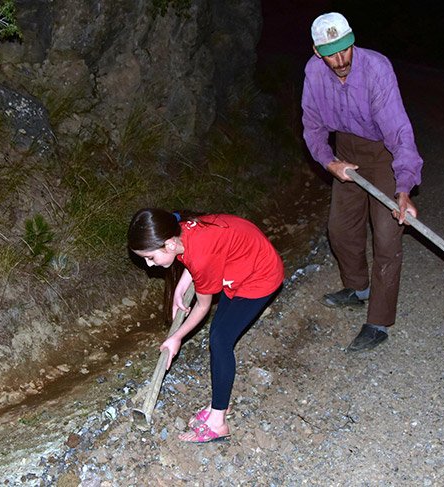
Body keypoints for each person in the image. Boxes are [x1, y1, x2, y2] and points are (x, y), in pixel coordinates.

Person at [300, 12, 423, 351]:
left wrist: (404, 187)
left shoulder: (376, 69)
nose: (341, 60)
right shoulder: (314, 73)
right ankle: (358, 288)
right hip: (345, 151)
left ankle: (379, 322)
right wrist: (330, 162)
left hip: (382, 152)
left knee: (386, 235)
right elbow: (312, 127)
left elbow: (399, 132)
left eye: (345, 49)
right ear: (317, 52)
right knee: (340, 229)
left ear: (353, 40)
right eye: (331, 54)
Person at [127, 208, 284, 443]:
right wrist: (180, 289)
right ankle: (219, 405)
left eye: (150, 257)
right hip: (239, 264)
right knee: (218, 335)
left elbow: (202, 306)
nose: (149, 265)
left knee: (220, 341)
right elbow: (193, 258)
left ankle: (218, 422)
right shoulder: (179, 230)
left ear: (169, 244)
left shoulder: (199, 254)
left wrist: (176, 337)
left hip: (260, 275)